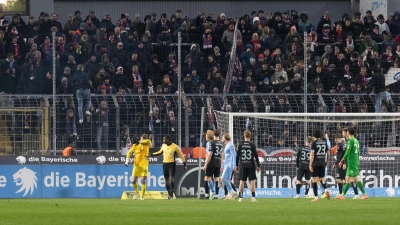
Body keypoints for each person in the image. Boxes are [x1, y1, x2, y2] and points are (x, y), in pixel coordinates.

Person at [149, 135, 187, 200]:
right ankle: (169, 193)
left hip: (172, 164)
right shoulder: (163, 145)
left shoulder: (175, 146)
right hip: (165, 164)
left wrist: (184, 164)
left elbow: (181, 155)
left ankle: (171, 195)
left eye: (164, 139)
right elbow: (160, 152)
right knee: (166, 181)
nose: (163, 141)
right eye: (163, 139)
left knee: (171, 179)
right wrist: (152, 154)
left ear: (169, 140)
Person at [337, 127, 369, 200]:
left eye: (347, 132)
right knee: (347, 178)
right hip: (354, 161)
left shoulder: (350, 141)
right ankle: (343, 195)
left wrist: (342, 160)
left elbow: (348, 151)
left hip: (351, 161)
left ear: (348, 132)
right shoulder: (356, 141)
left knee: (356, 179)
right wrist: (357, 160)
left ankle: (364, 194)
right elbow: (358, 152)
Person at [235, 130, 260, 202]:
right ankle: (253, 197)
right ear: (250, 136)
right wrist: (258, 166)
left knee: (242, 181)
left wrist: (237, 165)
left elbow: (237, 156)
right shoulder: (252, 145)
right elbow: (256, 156)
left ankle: (240, 197)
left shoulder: (240, 145)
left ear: (244, 136)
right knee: (252, 181)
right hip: (251, 164)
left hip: (242, 164)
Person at [124, 134, 152, 200]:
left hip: (144, 164)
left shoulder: (147, 143)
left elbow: (147, 141)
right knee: (133, 180)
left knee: (143, 180)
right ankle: (137, 192)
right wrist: (127, 161)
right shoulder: (135, 145)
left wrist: (139, 141)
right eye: (142, 137)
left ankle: (142, 196)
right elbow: (129, 153)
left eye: (143, 138)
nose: (142, 139)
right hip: (136, 165)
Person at [309, 129, 330, 202]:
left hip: (315, 163)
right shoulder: (324, 142)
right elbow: (328, 152)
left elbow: (312, 155)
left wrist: (310, 164)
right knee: (322, 179)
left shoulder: (314, 143)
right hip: (322, 163)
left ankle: (316, 197)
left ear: (314, 135)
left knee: (314, 180)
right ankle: (326, 189)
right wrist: (326, 161)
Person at [203, 129, 224, 200]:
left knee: (207, 178)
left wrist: (206, 164)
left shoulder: (211, 143)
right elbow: (221, 155)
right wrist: (221, 164)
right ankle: (216, 195)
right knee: (216, 179)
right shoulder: (221, 143)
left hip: (211, 162)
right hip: (218, 162)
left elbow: (210, 154)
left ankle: (206, 195)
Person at [221, 133, 238, 200]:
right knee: (227, 180)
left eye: (222, 137)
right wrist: (222, 165)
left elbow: (234, 155)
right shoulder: (227, 145)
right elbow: (226, 157)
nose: (222, 138)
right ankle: (230, 194)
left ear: (225, 138)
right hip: (226, 165)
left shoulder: (231, 145)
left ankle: (232, 191)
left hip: (229, 165)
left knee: (223, 179)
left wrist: (234, 165)